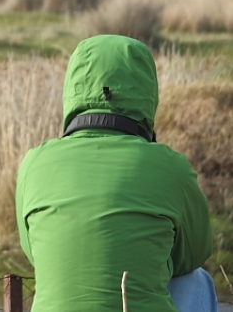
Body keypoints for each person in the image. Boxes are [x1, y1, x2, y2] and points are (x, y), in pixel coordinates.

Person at [15, 35, 218, 312]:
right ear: (147, 93)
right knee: (196, 280)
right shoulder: (171, 167)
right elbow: (194, 253)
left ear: (73, 89)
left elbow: (34, 253)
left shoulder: (33, 163)